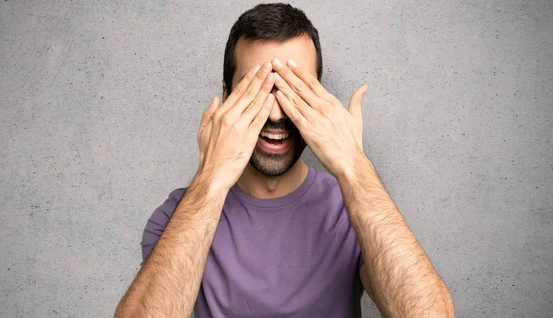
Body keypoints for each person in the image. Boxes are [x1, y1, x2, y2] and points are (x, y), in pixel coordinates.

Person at [115, 3, 454, 317]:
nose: (276, 112)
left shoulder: (353, 206)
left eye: (295, 90)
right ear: (227, 95)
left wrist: (354, 166)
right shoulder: (181, 214)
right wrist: (211, 178)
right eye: (257, 88)